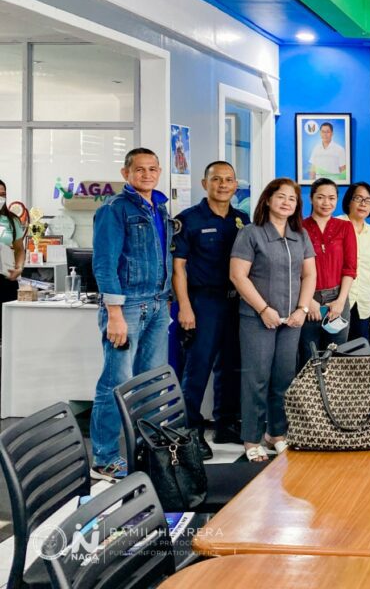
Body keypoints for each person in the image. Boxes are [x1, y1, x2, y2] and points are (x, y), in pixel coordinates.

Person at [89, 148, 174, 480]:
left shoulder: (161, 208)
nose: (147, 174)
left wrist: (165, 300)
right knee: (115, 382)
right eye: (139, 169)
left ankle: (146, 450)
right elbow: (104, 264)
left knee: (148, 383)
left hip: (156, 304)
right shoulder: (114, 209)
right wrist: (114, 313)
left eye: (153, 169)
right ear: (126, 173)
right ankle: (104, 457)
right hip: (126, 306)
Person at [230, 178, 316, 462]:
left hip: (291, 320)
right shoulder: (251, 234)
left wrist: (302, 309)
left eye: (292, 199)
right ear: (267, 199)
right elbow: (238, 276)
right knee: (256, 378)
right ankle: (252, 438)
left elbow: (309, 275)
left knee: (283, 379)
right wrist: (263, 309)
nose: (286, 202)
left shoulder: (299, 236)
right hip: (258, 319)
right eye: (281, 197)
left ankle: (277, 433)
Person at [171, 161, 249, 455]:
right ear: (205, 184)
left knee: (231, 366)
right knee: (197, 367)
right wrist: (185, 308)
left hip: (235, 301)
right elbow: (178, 269)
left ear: (235, 186)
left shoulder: (242, 220)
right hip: (203, 302)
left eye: (229, 179)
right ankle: (189, 433)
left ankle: (226, 423)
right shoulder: (188, 220)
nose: (223, 185)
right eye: (216, 179)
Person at [299, 177, 357, 368]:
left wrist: (341, 301)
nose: (326, 203)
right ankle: (310, 398)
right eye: (321, 197)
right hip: (308, 298)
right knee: (309, 358)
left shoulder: (345, 227)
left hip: (338, 298)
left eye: (331, 198)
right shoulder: (299, 228)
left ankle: (333, 398)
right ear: (311, 199)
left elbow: (350, 267)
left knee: (336, 357)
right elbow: (294, 268)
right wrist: (308, 301)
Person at [340, 182, 370, 348]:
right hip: (339, 301)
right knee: (336, 353)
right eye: (358, 198)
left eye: (368, 200)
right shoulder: (336, 225)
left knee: (360, 352)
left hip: (363, 302)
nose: (363, 204)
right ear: (349, 201)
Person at [0, 179, 26, 342]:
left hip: (5, 278)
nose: (1, 197)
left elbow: (19, 249)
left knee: (5, 328)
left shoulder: (12, 220)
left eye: (3, 194)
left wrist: (19, 267)